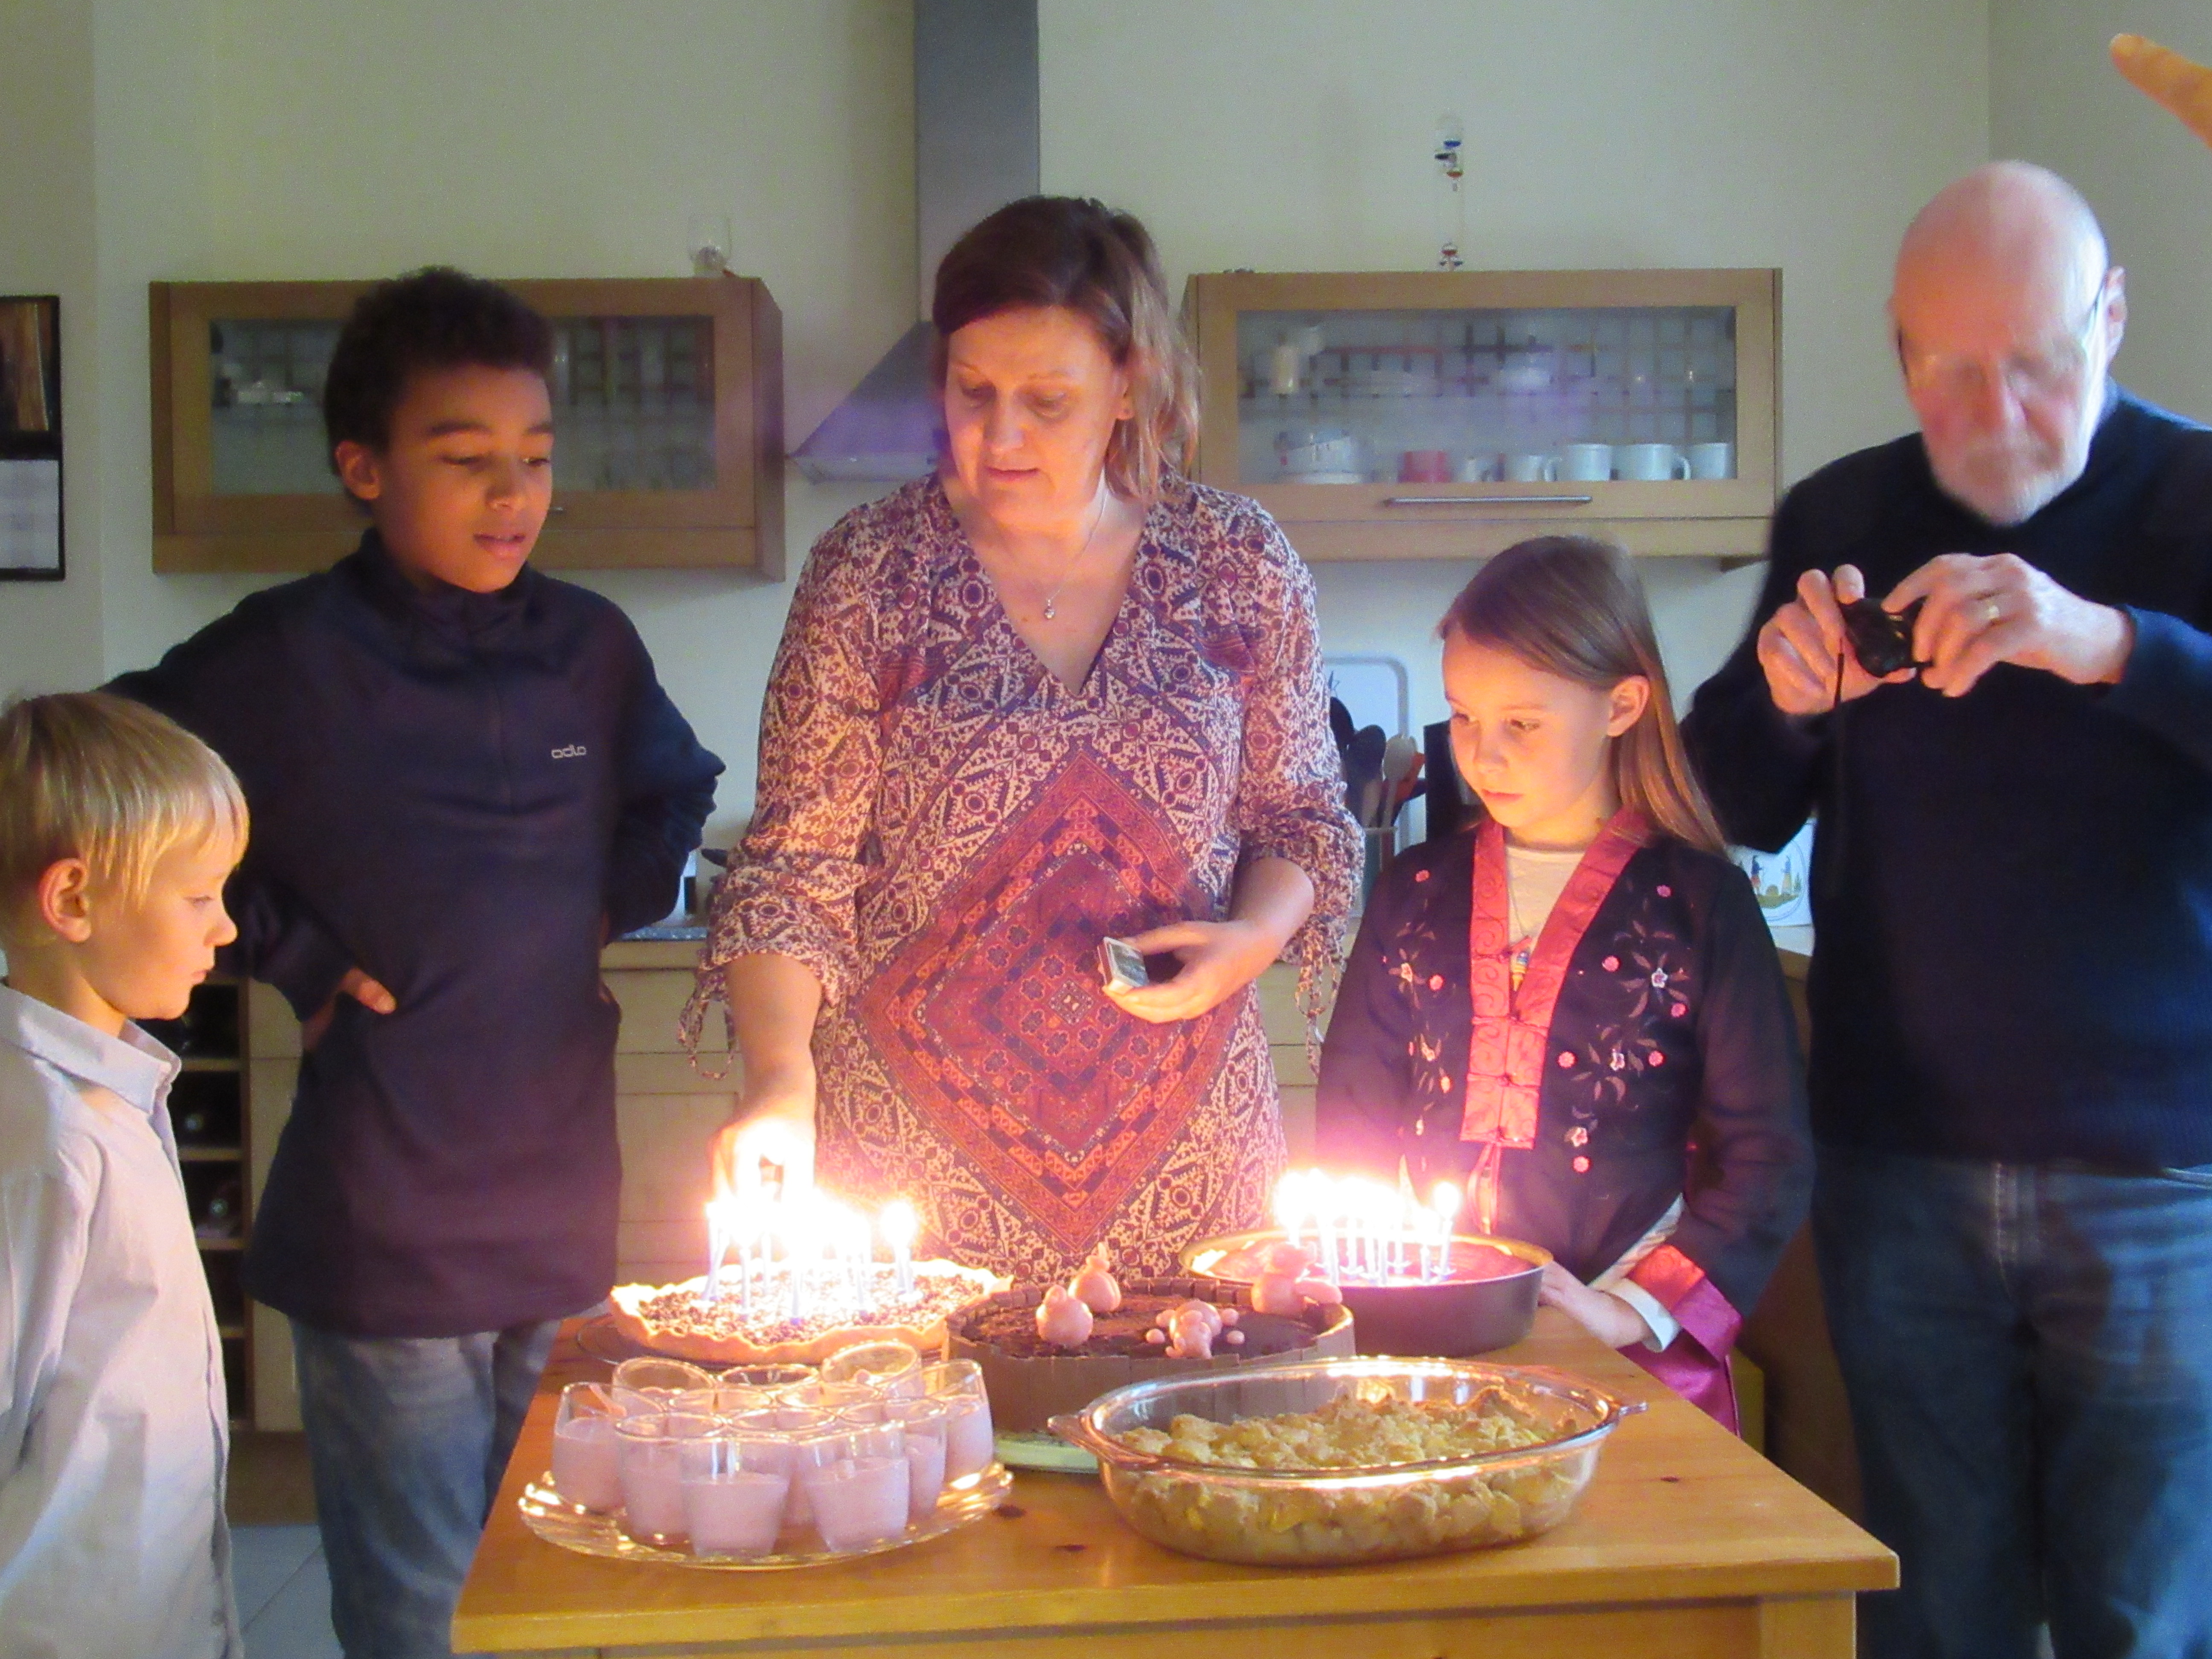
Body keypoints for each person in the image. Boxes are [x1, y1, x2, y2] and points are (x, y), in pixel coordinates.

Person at [112, 268, 723, 1659]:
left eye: (536, 458)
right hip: (384, 1223)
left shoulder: (588, 647)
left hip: (562, 1210)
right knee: (421, 1612)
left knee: (565, 1580)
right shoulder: (287, 654)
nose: (512, 494)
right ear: (363, 467)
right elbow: (101, 782)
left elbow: (675, 788)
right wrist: (288, 947)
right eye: (465, 459)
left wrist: (593, 909)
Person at [1684, 162, 2212, 1657]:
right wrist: (1784, 699)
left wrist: (2109, 644)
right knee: (1930, 1606)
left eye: (2038, 366)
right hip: (1897, 1160)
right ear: (1899, 351)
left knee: (2146, 1616)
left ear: (2112, 319)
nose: (2000, 415)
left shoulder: (2198, 497)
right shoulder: (1840, 511)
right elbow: (1727, 803)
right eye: (1953, 374)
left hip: (2164, 1175)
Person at [686, 196, 1359, 1281]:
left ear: (1129, 382)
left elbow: (1302, 819)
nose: (999, 438)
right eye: (972, 391)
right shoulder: (869, 574)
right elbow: (793, 874)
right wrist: (778, 1079)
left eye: (1047, 401)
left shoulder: (1239, 562)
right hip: (908, 1191)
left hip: (1190, 1176)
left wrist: (1254, 936)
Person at [1313, 538, 1809, 1429]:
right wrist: (1382, 1276)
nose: (1483, 754)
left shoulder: (1700, 904)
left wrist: (1625, 1309)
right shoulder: (1413, 891)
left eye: (1523, 724)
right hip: (1427, 1351)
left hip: (1632, 1360)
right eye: (1464, 717)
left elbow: (1768, 1157)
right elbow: (1355, 1113)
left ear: (1622, 706)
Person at [0, 691, 248, 1658]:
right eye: (199, 897)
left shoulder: (113, 1098)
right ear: (72, 900)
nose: (225, 929)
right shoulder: (46, 1143)